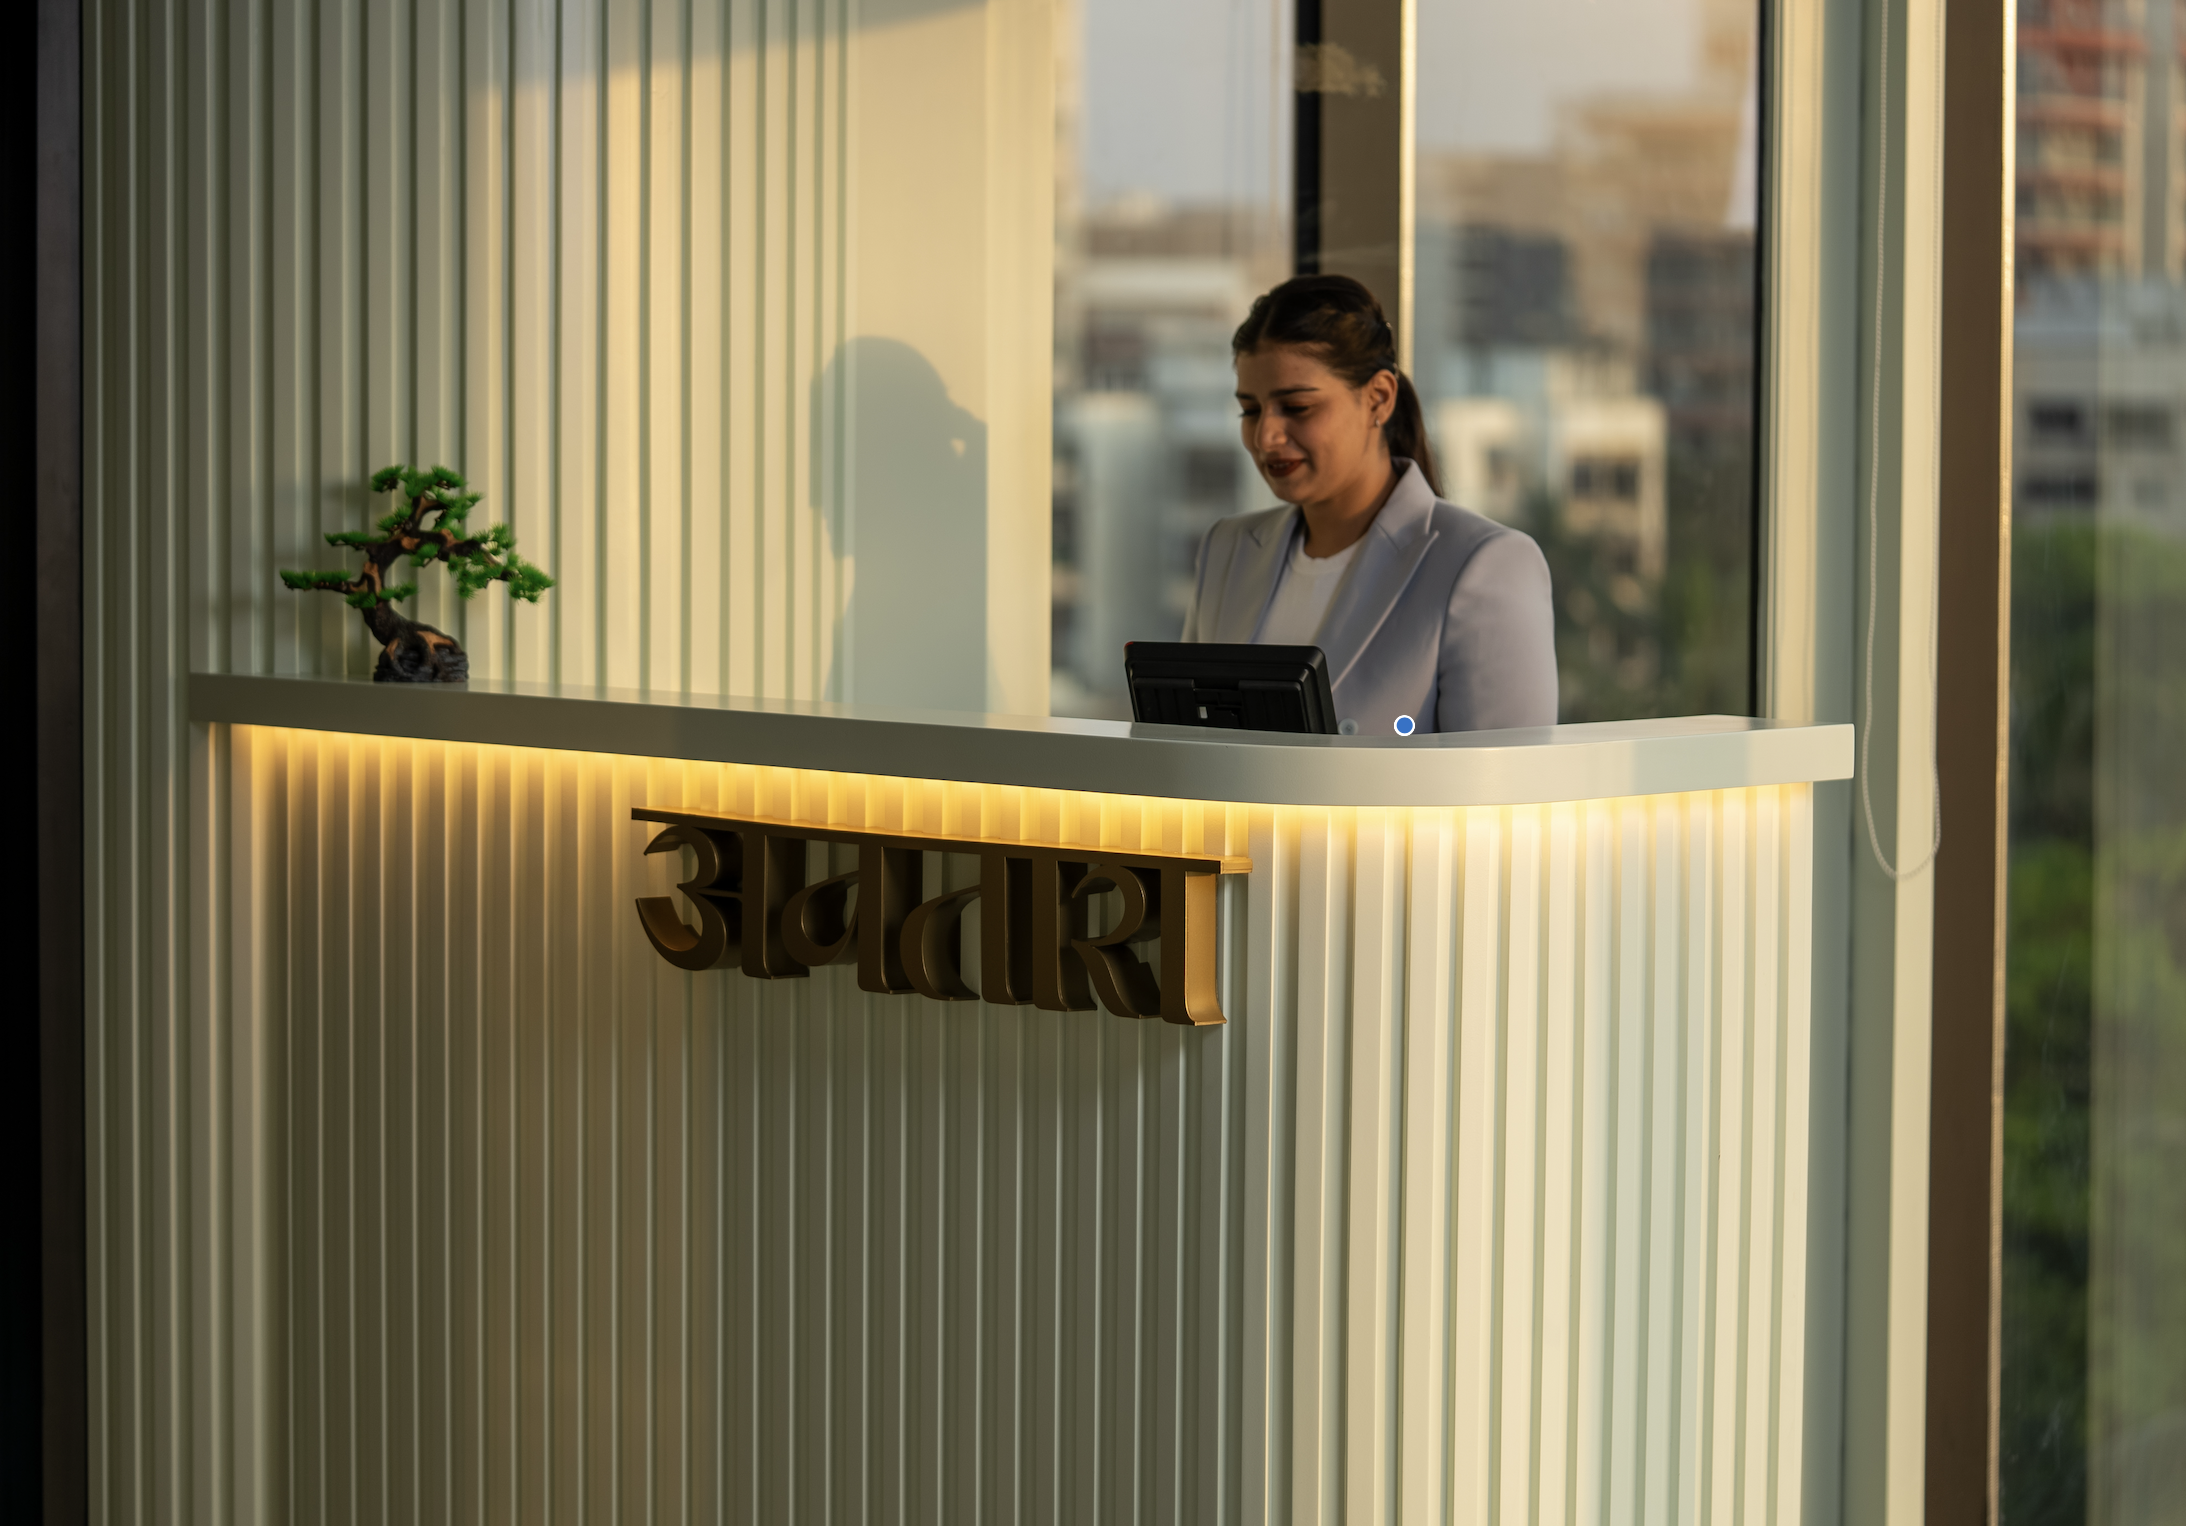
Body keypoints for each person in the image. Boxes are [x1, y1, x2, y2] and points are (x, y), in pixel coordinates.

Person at [1179, 274, 1558, 734]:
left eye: (1297, 408)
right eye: (1251, 410)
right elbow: (1190, 745)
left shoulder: (1486, 564)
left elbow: (1504, 776)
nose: (1266, 437)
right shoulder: (1227, 549)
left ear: (1378, 398)